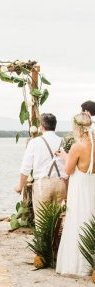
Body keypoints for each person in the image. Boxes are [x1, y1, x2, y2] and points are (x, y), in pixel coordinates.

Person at [56, 112, 95, 277]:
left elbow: (69, 170)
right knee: (89, 218)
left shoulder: (78, 146)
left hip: (79, 188)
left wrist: (65, 156)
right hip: (91, 185)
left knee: (77, 221)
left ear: (77, 128)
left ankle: (76, 266)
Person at [15, 113, 67, 224]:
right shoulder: (63, 141)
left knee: (41, 222)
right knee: (58, 222)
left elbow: (25, 167)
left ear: (41, 127)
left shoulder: (34, 142)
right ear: (55, 126)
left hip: (42, 185)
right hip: (61, 184)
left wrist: (20, 186)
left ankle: (43, 241)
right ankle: (56, 241)